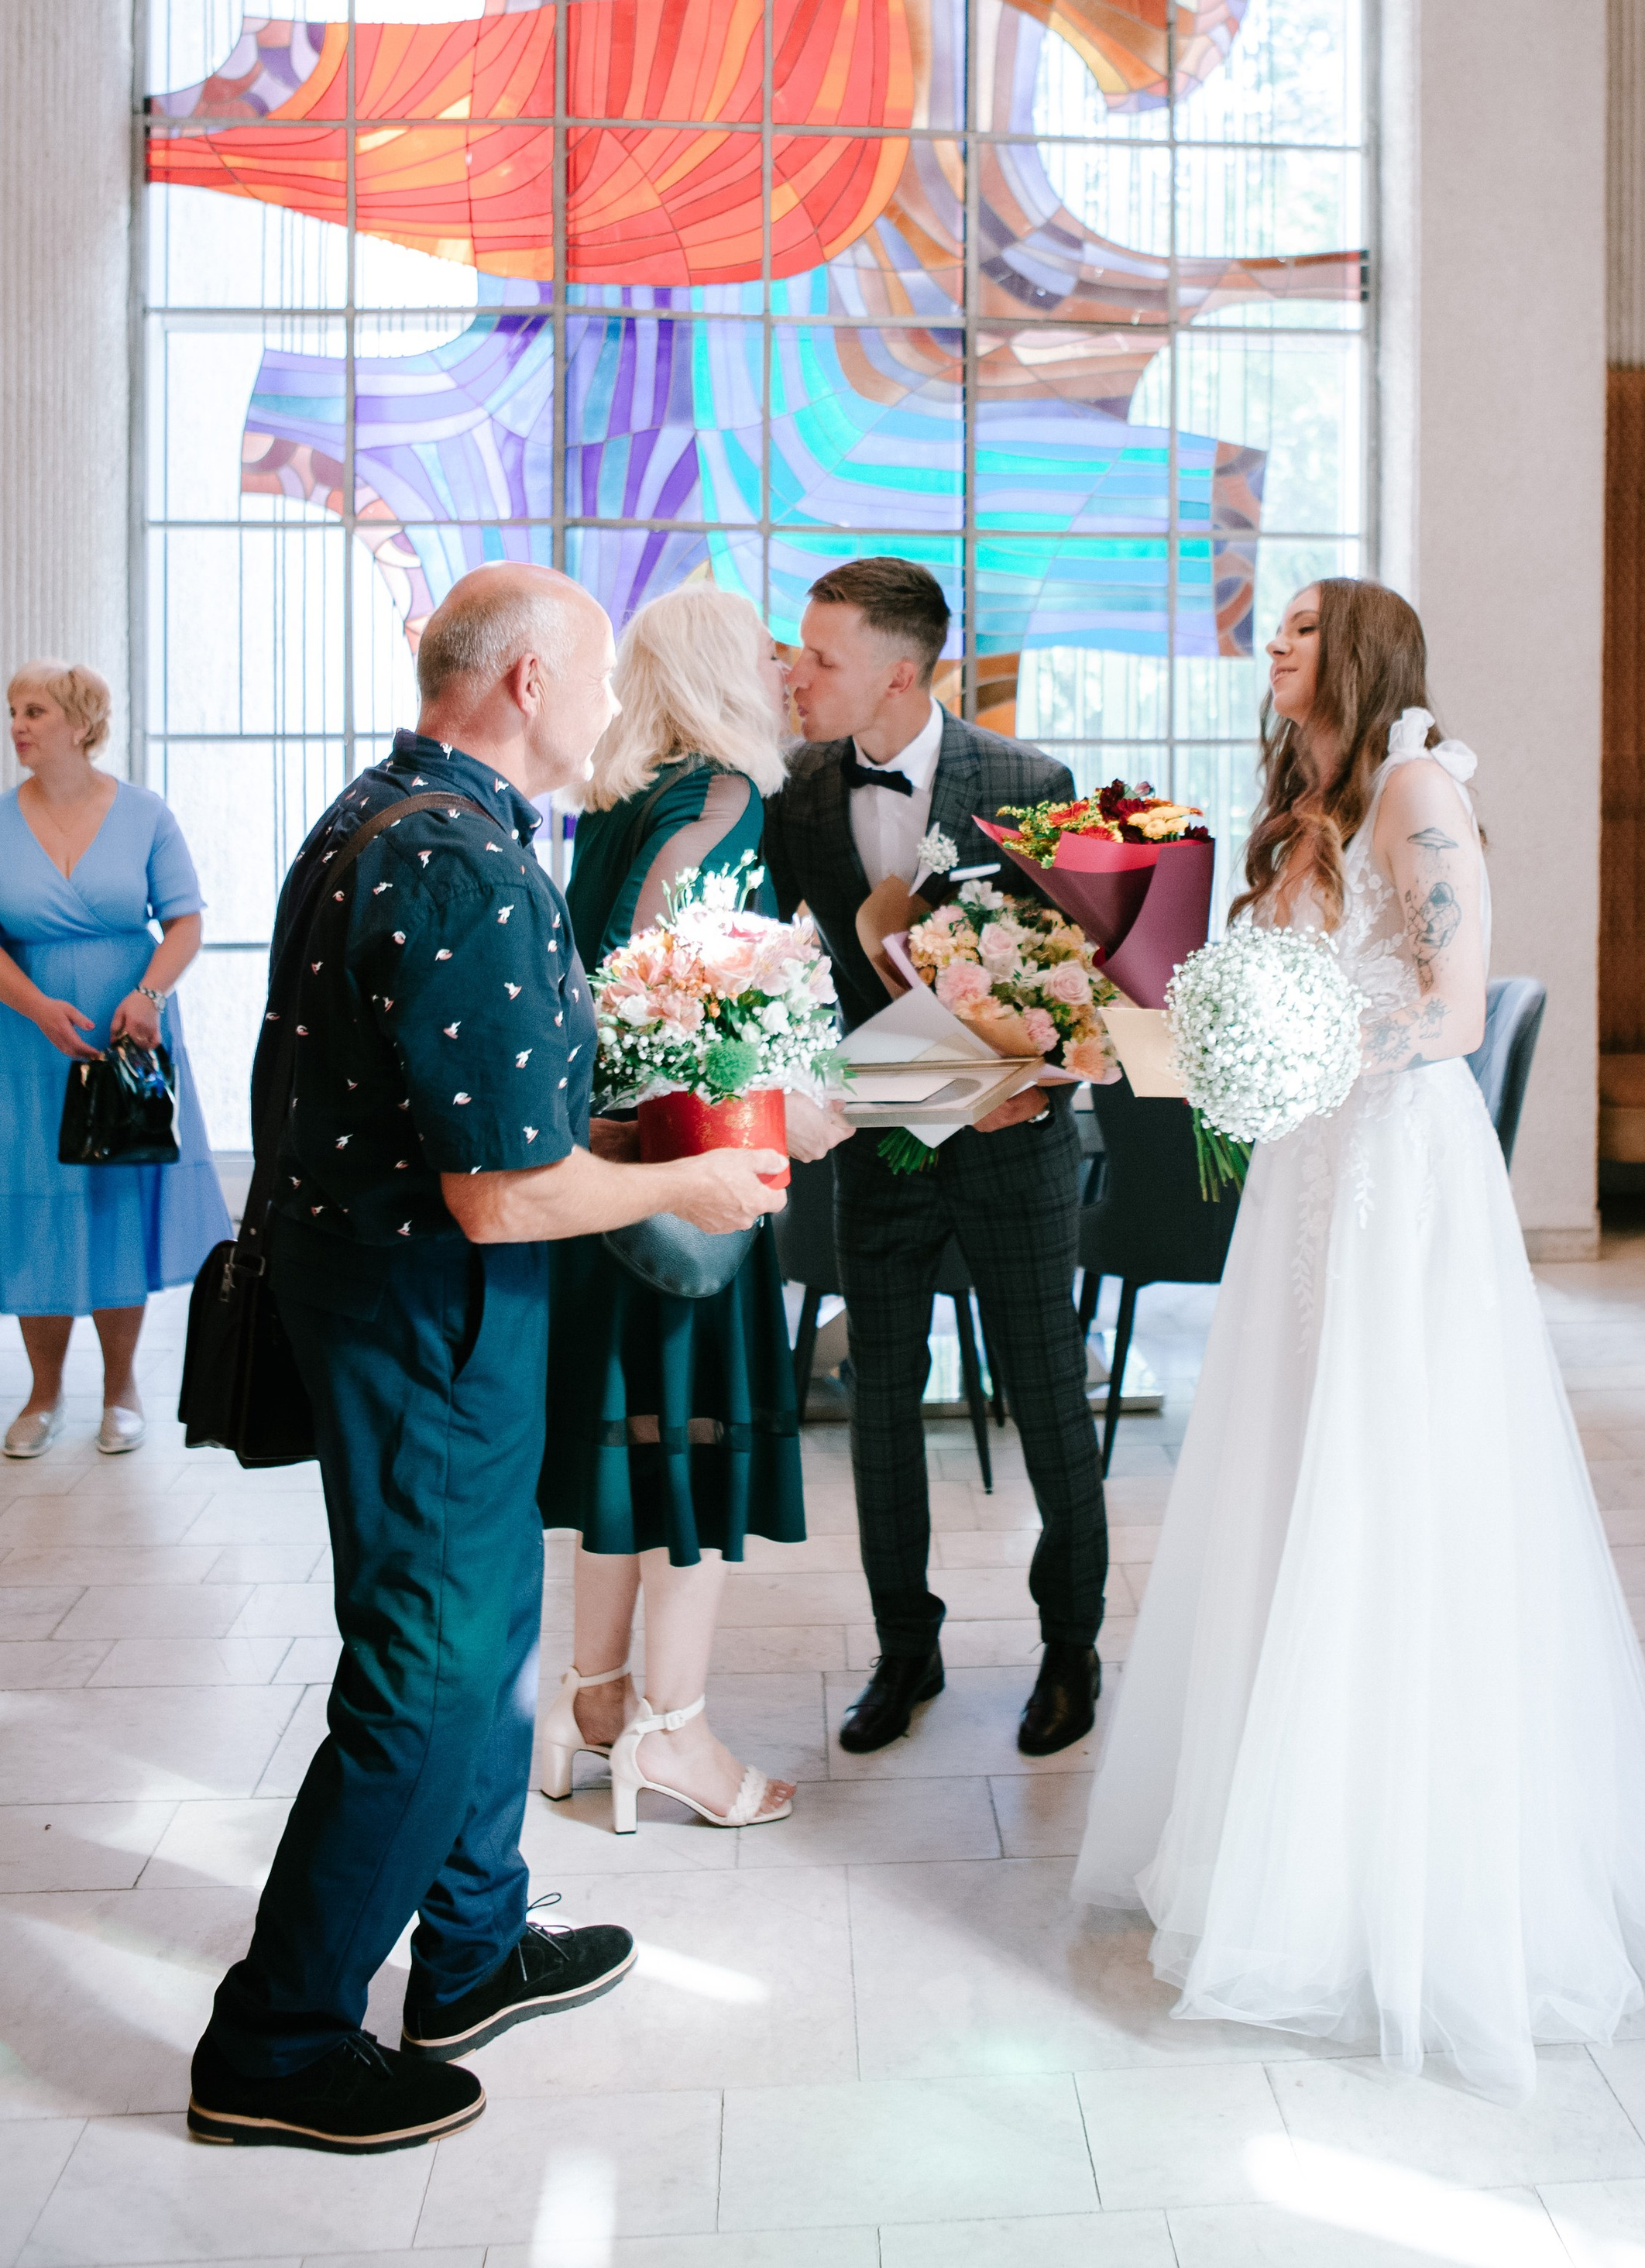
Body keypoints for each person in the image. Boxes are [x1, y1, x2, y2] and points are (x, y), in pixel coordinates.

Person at [1072, 577, 1645, 2101]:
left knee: (1389, 1476)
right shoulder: (1304, 804)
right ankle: (1274, 1838)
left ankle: (1399, 1872)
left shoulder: (1416, 790)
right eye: (1273, 631)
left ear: (1361, 655)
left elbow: (1450, 1014)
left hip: (1395, 1168)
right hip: (1313, 1165)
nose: (1273, 646)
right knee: (1288, 1468)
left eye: (1298, 630)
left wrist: (1297, 1044)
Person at [190, 565, 788, 2157]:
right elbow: (501, 1192)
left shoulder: (378, 816)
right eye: (595, 676)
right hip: (429, 1320)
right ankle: (277, 2040)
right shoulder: (461, 861)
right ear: (528, 683)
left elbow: (467, 1113)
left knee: (491, 1631)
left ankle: (467, 1950)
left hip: (397, 1300)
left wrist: (626, 1137)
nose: (609, 705)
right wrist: (683, 1183)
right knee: (429, 1676)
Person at [762, 555, 1110, 1759]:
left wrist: (1038, 1076)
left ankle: (1071, 1646)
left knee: (1049, 1398)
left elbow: (1084, 974)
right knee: (880, 1407)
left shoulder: (1029, 782)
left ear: (900, 675)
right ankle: (905, 1647)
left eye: (822, 658)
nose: (797, 675)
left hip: (1016, 1150)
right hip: (879, 1147)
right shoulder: (798, 790)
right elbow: (778, 959)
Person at [538, 585, 850, 1830]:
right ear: (723, 672)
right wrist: (790, 1091)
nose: (785, 673)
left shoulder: (620, 800)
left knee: (628, 1448)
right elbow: (674, 997)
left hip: (604, 1178)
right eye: (766, 655)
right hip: (689, 1177)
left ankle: (591, 1706)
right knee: (698, 1453)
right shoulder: (725, 799)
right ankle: (674, 1732)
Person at [0, 663, 230, 1458]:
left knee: (113, 1201)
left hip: (128, 1035)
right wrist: (37, 1006)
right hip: (27, 1041)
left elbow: (185, 923)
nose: (17, 724)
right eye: (12, 711)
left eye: (34, 711)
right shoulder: (1, 820)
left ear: (79, 722)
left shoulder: (144, 814)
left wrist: (149, 995)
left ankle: (121, 1388)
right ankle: (43, 1394)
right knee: (38, 1203)